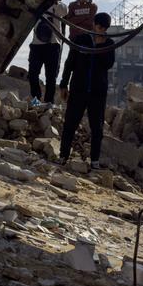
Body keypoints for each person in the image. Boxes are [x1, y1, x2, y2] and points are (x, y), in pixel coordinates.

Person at [58, 12, 116, 169]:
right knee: (70, 123)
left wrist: (100, 46)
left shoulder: (110, 43)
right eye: (98, 26)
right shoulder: (81, 40)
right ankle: (63, 156)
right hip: (78, 89)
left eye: (103, 28)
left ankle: (95, 161)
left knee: (97, 128)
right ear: (94, 24)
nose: (100, 30)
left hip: (98, 93)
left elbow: (108, 64)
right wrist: (63, 84)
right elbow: (69, 63)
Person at [27, 0, 68, 103]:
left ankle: (49, 102)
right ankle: (36, 100)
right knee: (32, 74)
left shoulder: (59, 6)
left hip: (53, 45)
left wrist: (55, 1)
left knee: (51, 77)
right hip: (37, 44)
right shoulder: (36, 4)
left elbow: (64, 11)